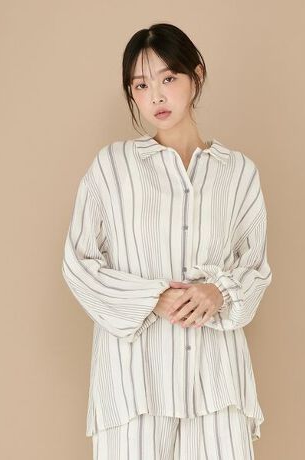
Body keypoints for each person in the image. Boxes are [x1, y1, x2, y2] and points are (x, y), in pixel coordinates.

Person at [62, 22, 272, 460]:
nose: (156, 96)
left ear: (196, 76)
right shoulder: (113, 168)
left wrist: (218, 292)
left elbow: (255, 268)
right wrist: (151, 298)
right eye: (141, 85)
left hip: (217, 382)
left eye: (168, 78)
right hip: (133, 384)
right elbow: (78, 264)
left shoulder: (239, 174)